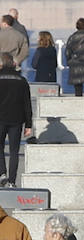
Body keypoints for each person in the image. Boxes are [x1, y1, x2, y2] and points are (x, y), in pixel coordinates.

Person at [0, 52, 30, 188]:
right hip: (17, 120)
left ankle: (2, 173)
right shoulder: (22, 81)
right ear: (14, 64)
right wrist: (28, 125)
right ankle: (12, 181)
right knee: (14, 151)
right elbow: (27, 104)